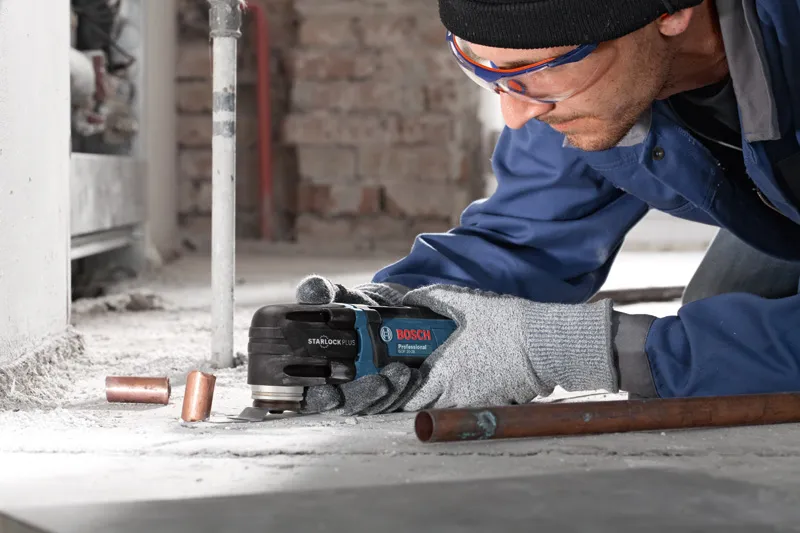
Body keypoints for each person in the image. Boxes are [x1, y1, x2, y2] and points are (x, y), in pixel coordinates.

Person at [294, 0, 800, 417]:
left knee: (721, 357)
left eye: (535, 71)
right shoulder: (578, 81)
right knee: (724, 318)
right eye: (484, 71)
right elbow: (529, 236)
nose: (515, 115)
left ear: (673, 11)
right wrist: (397, 310)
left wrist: (581, 349)